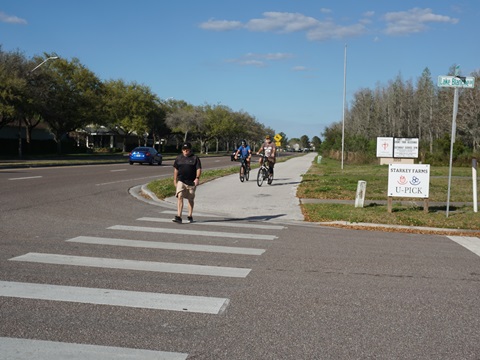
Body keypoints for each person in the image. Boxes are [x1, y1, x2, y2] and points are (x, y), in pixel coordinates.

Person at [172, 142, 202, 223]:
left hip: (191, 182)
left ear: (190, 150)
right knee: (180, 196)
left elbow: (198, 169)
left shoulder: (195, 158)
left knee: (190, 198)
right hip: (181, 180)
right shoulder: (178, 158)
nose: (186, 151)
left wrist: (197, 178)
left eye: (187, 150)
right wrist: (175, 180)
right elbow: (176, 170)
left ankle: (190, 215)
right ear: (182, 150)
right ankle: (179, 216)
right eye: (184, 149)